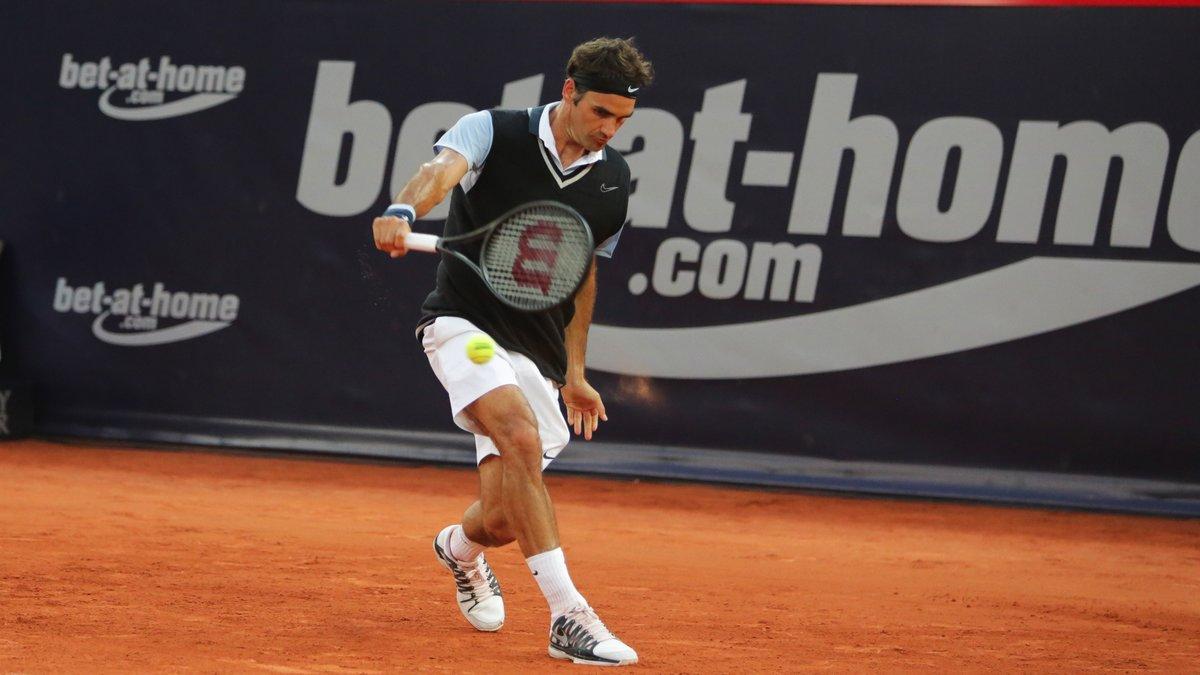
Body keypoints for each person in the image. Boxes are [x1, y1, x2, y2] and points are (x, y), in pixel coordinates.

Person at [371, 37, 654, 666]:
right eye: (600, 112)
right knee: (521, 439)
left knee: (501, 519)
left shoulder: (614, 179)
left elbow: (581, 275)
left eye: (622, 119)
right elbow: (440, 173)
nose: (609, 130)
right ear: (569, 91)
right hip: (463, 325)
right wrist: (402, 208)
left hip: (537, 351)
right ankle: (568, 617)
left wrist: (575, 372)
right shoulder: (492, 130)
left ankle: (459, 551)